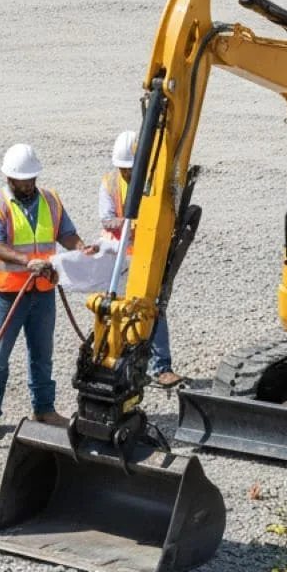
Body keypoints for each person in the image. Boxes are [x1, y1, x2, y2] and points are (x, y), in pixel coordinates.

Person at [0, 144, 97, 439]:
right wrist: (26, 261)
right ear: (9, 179)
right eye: (23, 180)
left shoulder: (50, 200)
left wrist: (80, 248)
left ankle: (44, 408)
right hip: (7, 295)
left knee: (42, 354)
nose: (29, 185)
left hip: (42, 291)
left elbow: (65, 233)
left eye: (32, 179)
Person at [100, 130, 181, 388]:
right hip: (121, 259)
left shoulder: (155, 183)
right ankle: (124, 365)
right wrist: (136, 227)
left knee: (153, 308)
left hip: (150, 257)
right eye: (123, 169)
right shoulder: (110, 183)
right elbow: (107, 219)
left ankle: (161, 367)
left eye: (130, 168)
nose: (127, 173)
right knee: (120, 310)